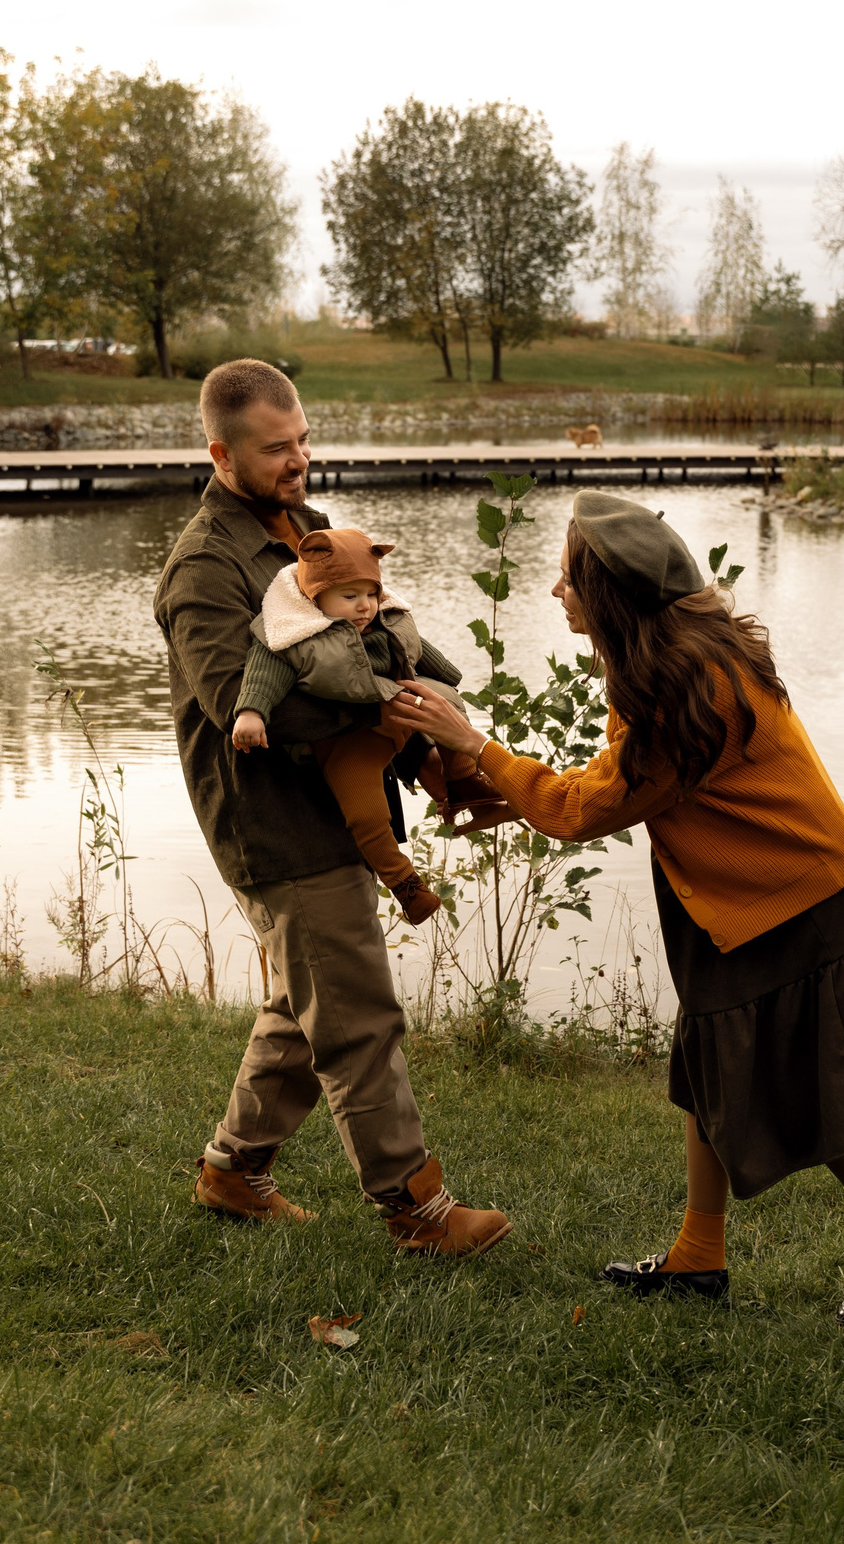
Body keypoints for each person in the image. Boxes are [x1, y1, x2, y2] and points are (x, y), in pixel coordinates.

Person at [397, 492, 844, 1328]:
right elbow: (616, 784)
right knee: (708, 1068)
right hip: (757, 903)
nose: (556, 591)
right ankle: (700, 1256)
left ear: (610, 596)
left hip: (795, 906)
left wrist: (476, 746)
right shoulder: (676, 658)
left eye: (568, 579)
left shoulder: (681, 686)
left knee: (820, 1104)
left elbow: (585, 807)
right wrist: (507, 789)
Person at [154, 358, 511, 1256]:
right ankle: (418, 1211)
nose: (299, 459)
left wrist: (428, 728)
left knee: (302, 999)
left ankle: (233, 1172)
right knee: (356, 1018)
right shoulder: (204, 564)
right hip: (274, 818)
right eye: (277, 449)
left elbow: (371, 636)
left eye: (303, 439)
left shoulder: (310, 531)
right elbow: (237, 692)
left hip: (338, 803)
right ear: (221, 452)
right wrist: (386, 709)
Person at [229, 525, 494, 926]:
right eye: (349, 597)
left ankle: (464, 783)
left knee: (449, 706)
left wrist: (448, 677)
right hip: (349, 737)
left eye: (370, 593)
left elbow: (415, 648)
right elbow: (264, 669)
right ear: (315, 597)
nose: (364, 606)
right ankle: (405, 884)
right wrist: (252, 712)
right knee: (365, 812)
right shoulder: (295, 634)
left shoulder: (384, 619)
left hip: (401, 710)